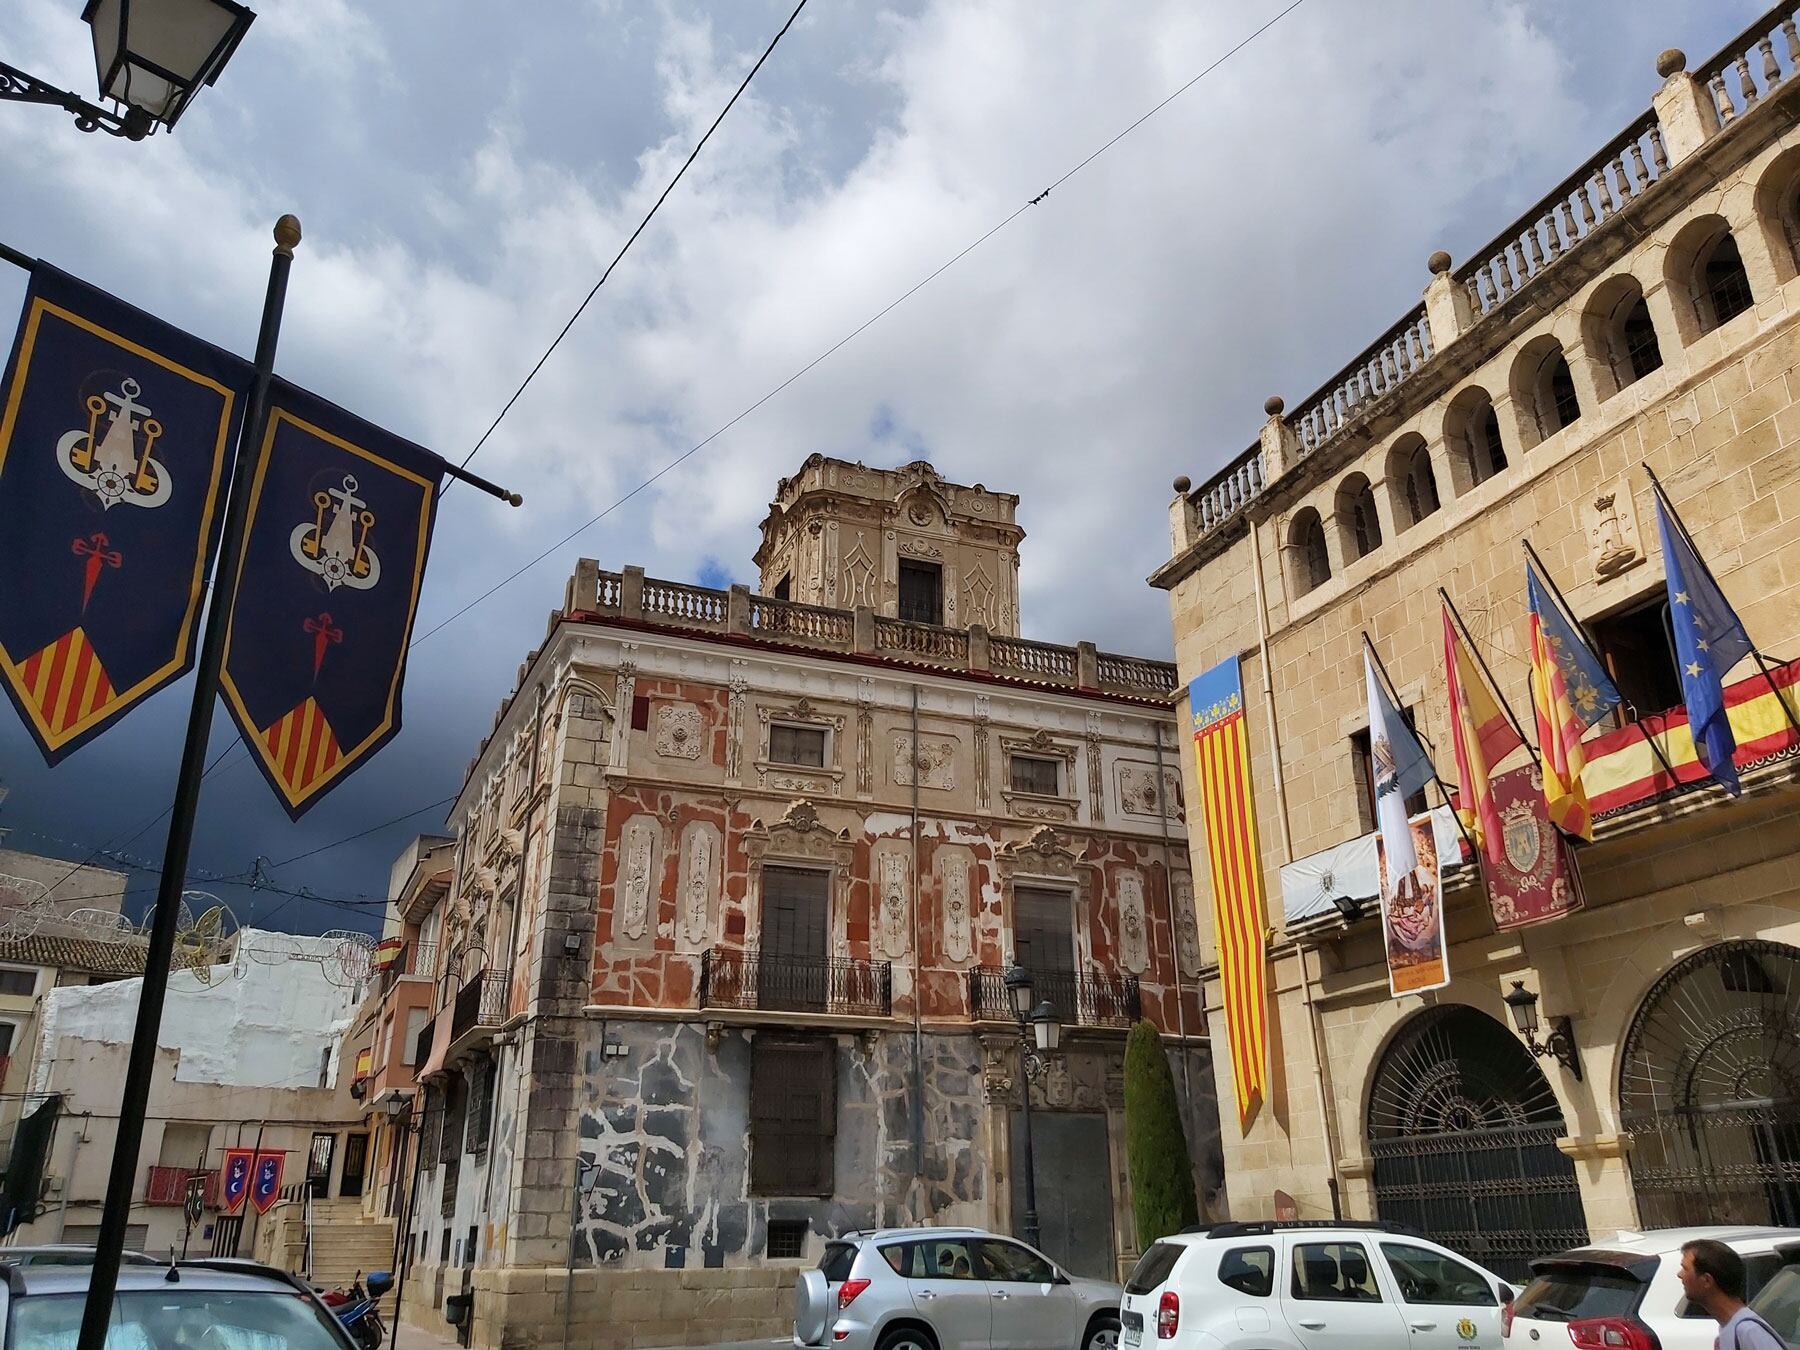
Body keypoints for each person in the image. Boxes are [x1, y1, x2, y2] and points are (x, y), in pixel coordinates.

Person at [1677, 1239, 1786, 1350]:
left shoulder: (1749, 1330)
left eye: (1685, 1269)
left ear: (1707, 1280)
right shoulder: (1730, 1329)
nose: (1679, 1274)